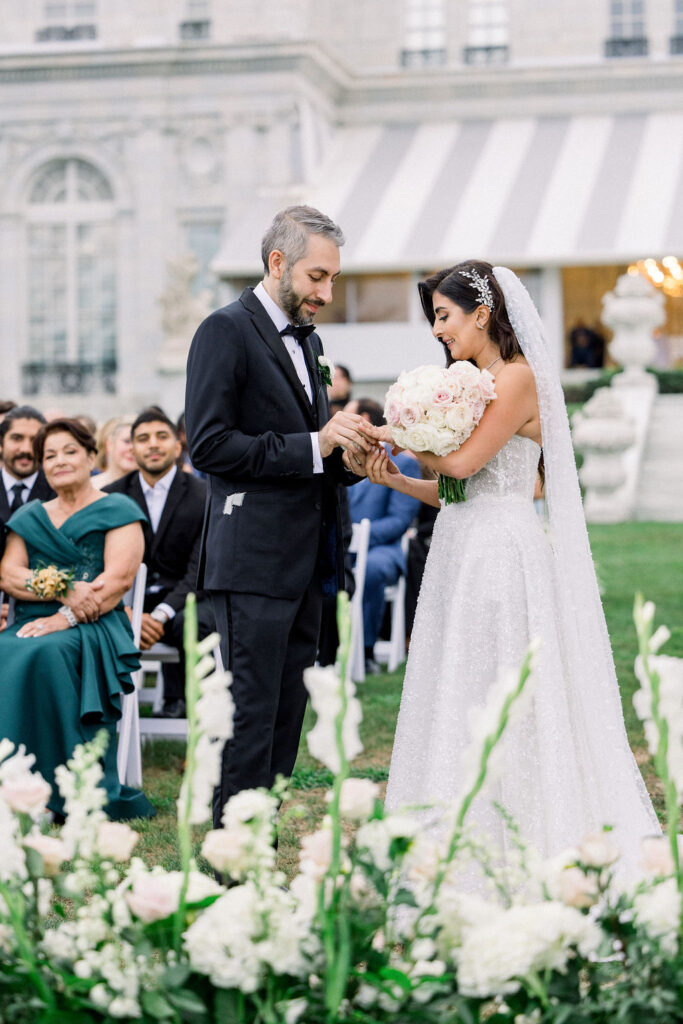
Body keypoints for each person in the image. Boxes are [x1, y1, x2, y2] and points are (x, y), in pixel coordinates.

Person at [359, 261, 659, 870]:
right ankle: (459, 823)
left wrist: (402, 435)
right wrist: (398, 478)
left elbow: (466, 466)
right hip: (461, 541)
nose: (439, 331)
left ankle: (525, 827)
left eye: (444, 316)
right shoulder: (473, 381)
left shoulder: (519, 378)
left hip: (501, 548)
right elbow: (454, 491)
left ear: (482, 313)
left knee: (504, 683)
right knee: (460, 682)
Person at [185, 204, 368, 829]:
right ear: (277, 262)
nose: (327, 293)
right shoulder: (223, 331)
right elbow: (208, 447)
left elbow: (309, 452)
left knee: (287, 716)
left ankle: (258, 848)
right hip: (252, 564)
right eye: (318, 277)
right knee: (247, 716)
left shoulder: (309, 341)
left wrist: (349, 455)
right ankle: (228, 865)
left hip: (307, 561)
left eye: (333, 279)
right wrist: (314, 444)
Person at [0, 418, 154, 820]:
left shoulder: (119, 510)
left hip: (94, 625)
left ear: (91, 456)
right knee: (8, 647)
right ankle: (13, 784)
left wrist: (65, 616)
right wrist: (58, 588)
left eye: (70, 451)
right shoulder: (30, 516)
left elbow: (118, 580)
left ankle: (62, 787)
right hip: (31, 621)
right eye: (49, 455)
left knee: (47, 652)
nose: (59, 461)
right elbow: (9, 574)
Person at [104, 408, 214, 718]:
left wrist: (160, 614)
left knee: (194, 622)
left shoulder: (204, 495)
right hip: (126, 604)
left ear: (178, 446)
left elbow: (200, 569)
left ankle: (199, 712)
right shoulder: (112, 497)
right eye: (142, 439)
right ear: (133, 449)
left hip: (185, 600)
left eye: (161, 436)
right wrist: (128, 613)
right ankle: (104, 716)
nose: (152, 444)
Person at [347, 399, 421, 674]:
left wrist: (361, 538)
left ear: (364, 418)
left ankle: (365, 650)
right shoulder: (344, 458)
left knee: (373, 571)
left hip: (383, 549)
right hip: (346, 545)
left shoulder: (403, 462)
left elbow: (400, 520)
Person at [0, 406, 56, 550]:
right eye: (17, 438)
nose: (26, 449)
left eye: (34, 440)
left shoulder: (59, 491)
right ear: (1, 443)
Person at [93, 417, 137, 489]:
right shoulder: (92, 487)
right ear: (109, 444)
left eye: (137, 442)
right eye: (127, 441)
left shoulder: (150, 489)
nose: (132, 448)